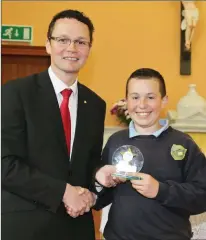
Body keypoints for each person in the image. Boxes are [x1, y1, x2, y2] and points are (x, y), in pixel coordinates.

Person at [2, 9, 106, 240]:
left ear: (89, 49)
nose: (72, 48)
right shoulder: (14, 93)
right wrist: (62, 192)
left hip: (76, 227)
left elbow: (90, 164)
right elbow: (5, 164)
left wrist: (92, 191)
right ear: (48, 45)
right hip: (24, 227)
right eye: (63, 40)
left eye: (80, 42)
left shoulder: (96, 104)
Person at [94, 68, 206, 240]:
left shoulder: (183, 143)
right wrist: (100, 182)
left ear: (164, 101)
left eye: (151, 97)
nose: (142, 104)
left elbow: (202, 196)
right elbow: (100, 200)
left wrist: (160, 190)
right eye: (135, 97)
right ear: (126, 101)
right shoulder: (115, 141)